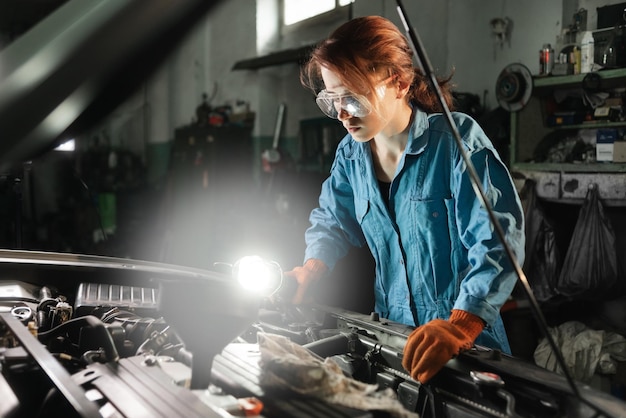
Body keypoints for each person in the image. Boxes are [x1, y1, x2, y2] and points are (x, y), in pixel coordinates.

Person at [285, 15, 525, 384]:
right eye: (332, 100)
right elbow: (331, 221)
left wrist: (460, 325)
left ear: (399, 82)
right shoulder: (351, 155)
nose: (343, 114)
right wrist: (313, 267)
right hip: (394, 346)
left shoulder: (455, 143)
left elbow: (497, 242)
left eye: (353, 97)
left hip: (467, 349)